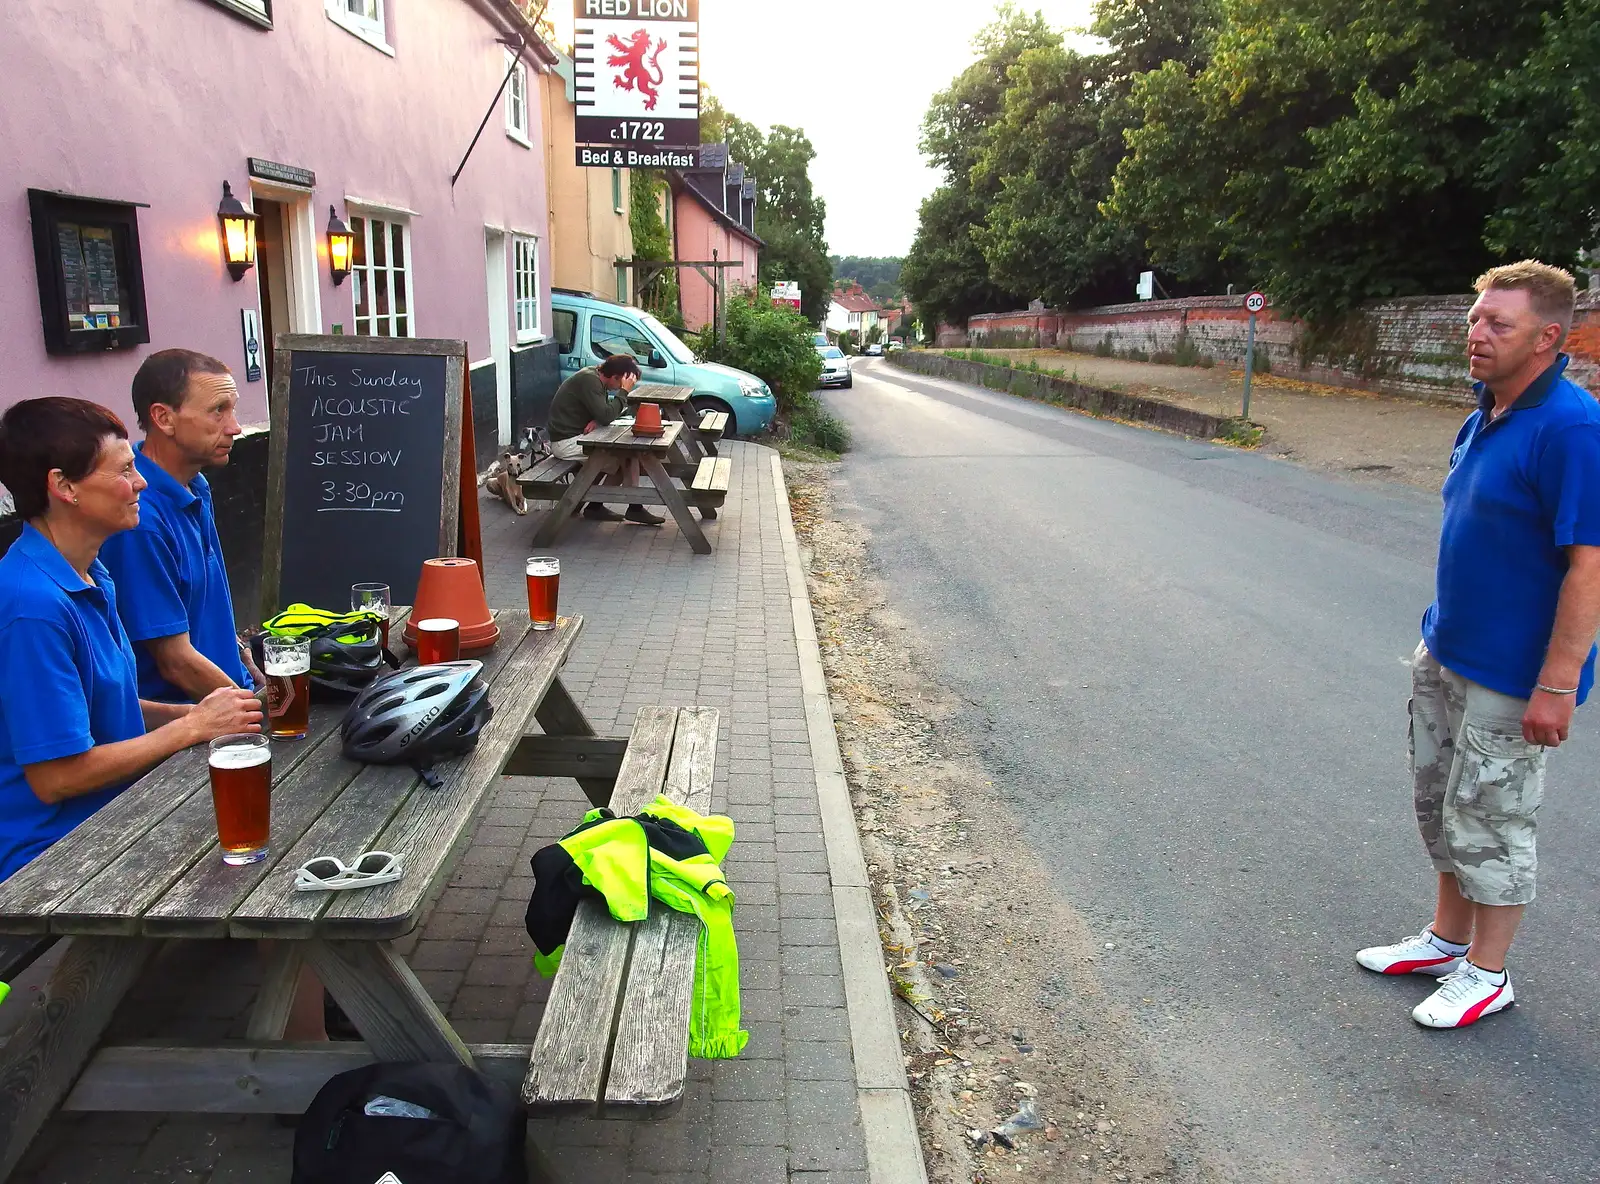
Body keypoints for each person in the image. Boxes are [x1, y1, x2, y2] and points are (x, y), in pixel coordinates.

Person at [1357, 261, 1600, 1028]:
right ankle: (1444, 940)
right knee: (1440, 803)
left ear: (1547, 337)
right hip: (1450, 649)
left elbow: (1589, 567)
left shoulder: (1572, 429)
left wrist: (1558, 683)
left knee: (1494, 816)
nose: (1477, 333)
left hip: (1513, 673)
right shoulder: (1487, 411)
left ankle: (1488, 973)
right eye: (1475, 318)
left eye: (1499, 323)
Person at [0, 397, 262, 882]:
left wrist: (197, 716)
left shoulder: (88, 571)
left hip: (111, 812)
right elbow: (56, 776)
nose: (140, 481)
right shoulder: (32, 607)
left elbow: (102, 704)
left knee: (261, 832)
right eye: (123, 471)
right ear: (63, 486)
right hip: (49, 852)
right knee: (249, 868)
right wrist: (186, 730)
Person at [98, 350, 262, 702]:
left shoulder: (194, 485)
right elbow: (175, 663)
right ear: (164, 418)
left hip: (225, 700)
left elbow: (197, 610)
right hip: (186, 734)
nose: (234, 427)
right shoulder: (139, 516)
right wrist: (257, 713)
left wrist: (241, 656)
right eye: (218, 410)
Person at [546, 354, 664, 526]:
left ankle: (598, 506)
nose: (618, 389)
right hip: (565, 442)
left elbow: (605, 412)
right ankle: (631, 508)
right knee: (624, 458)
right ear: (616, 376)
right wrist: (623, 394)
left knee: (627, 457)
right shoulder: (590, 381)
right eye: (620, 384)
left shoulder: (595, 378)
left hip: (578, 436)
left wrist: (599, 418)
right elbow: (608, 414)